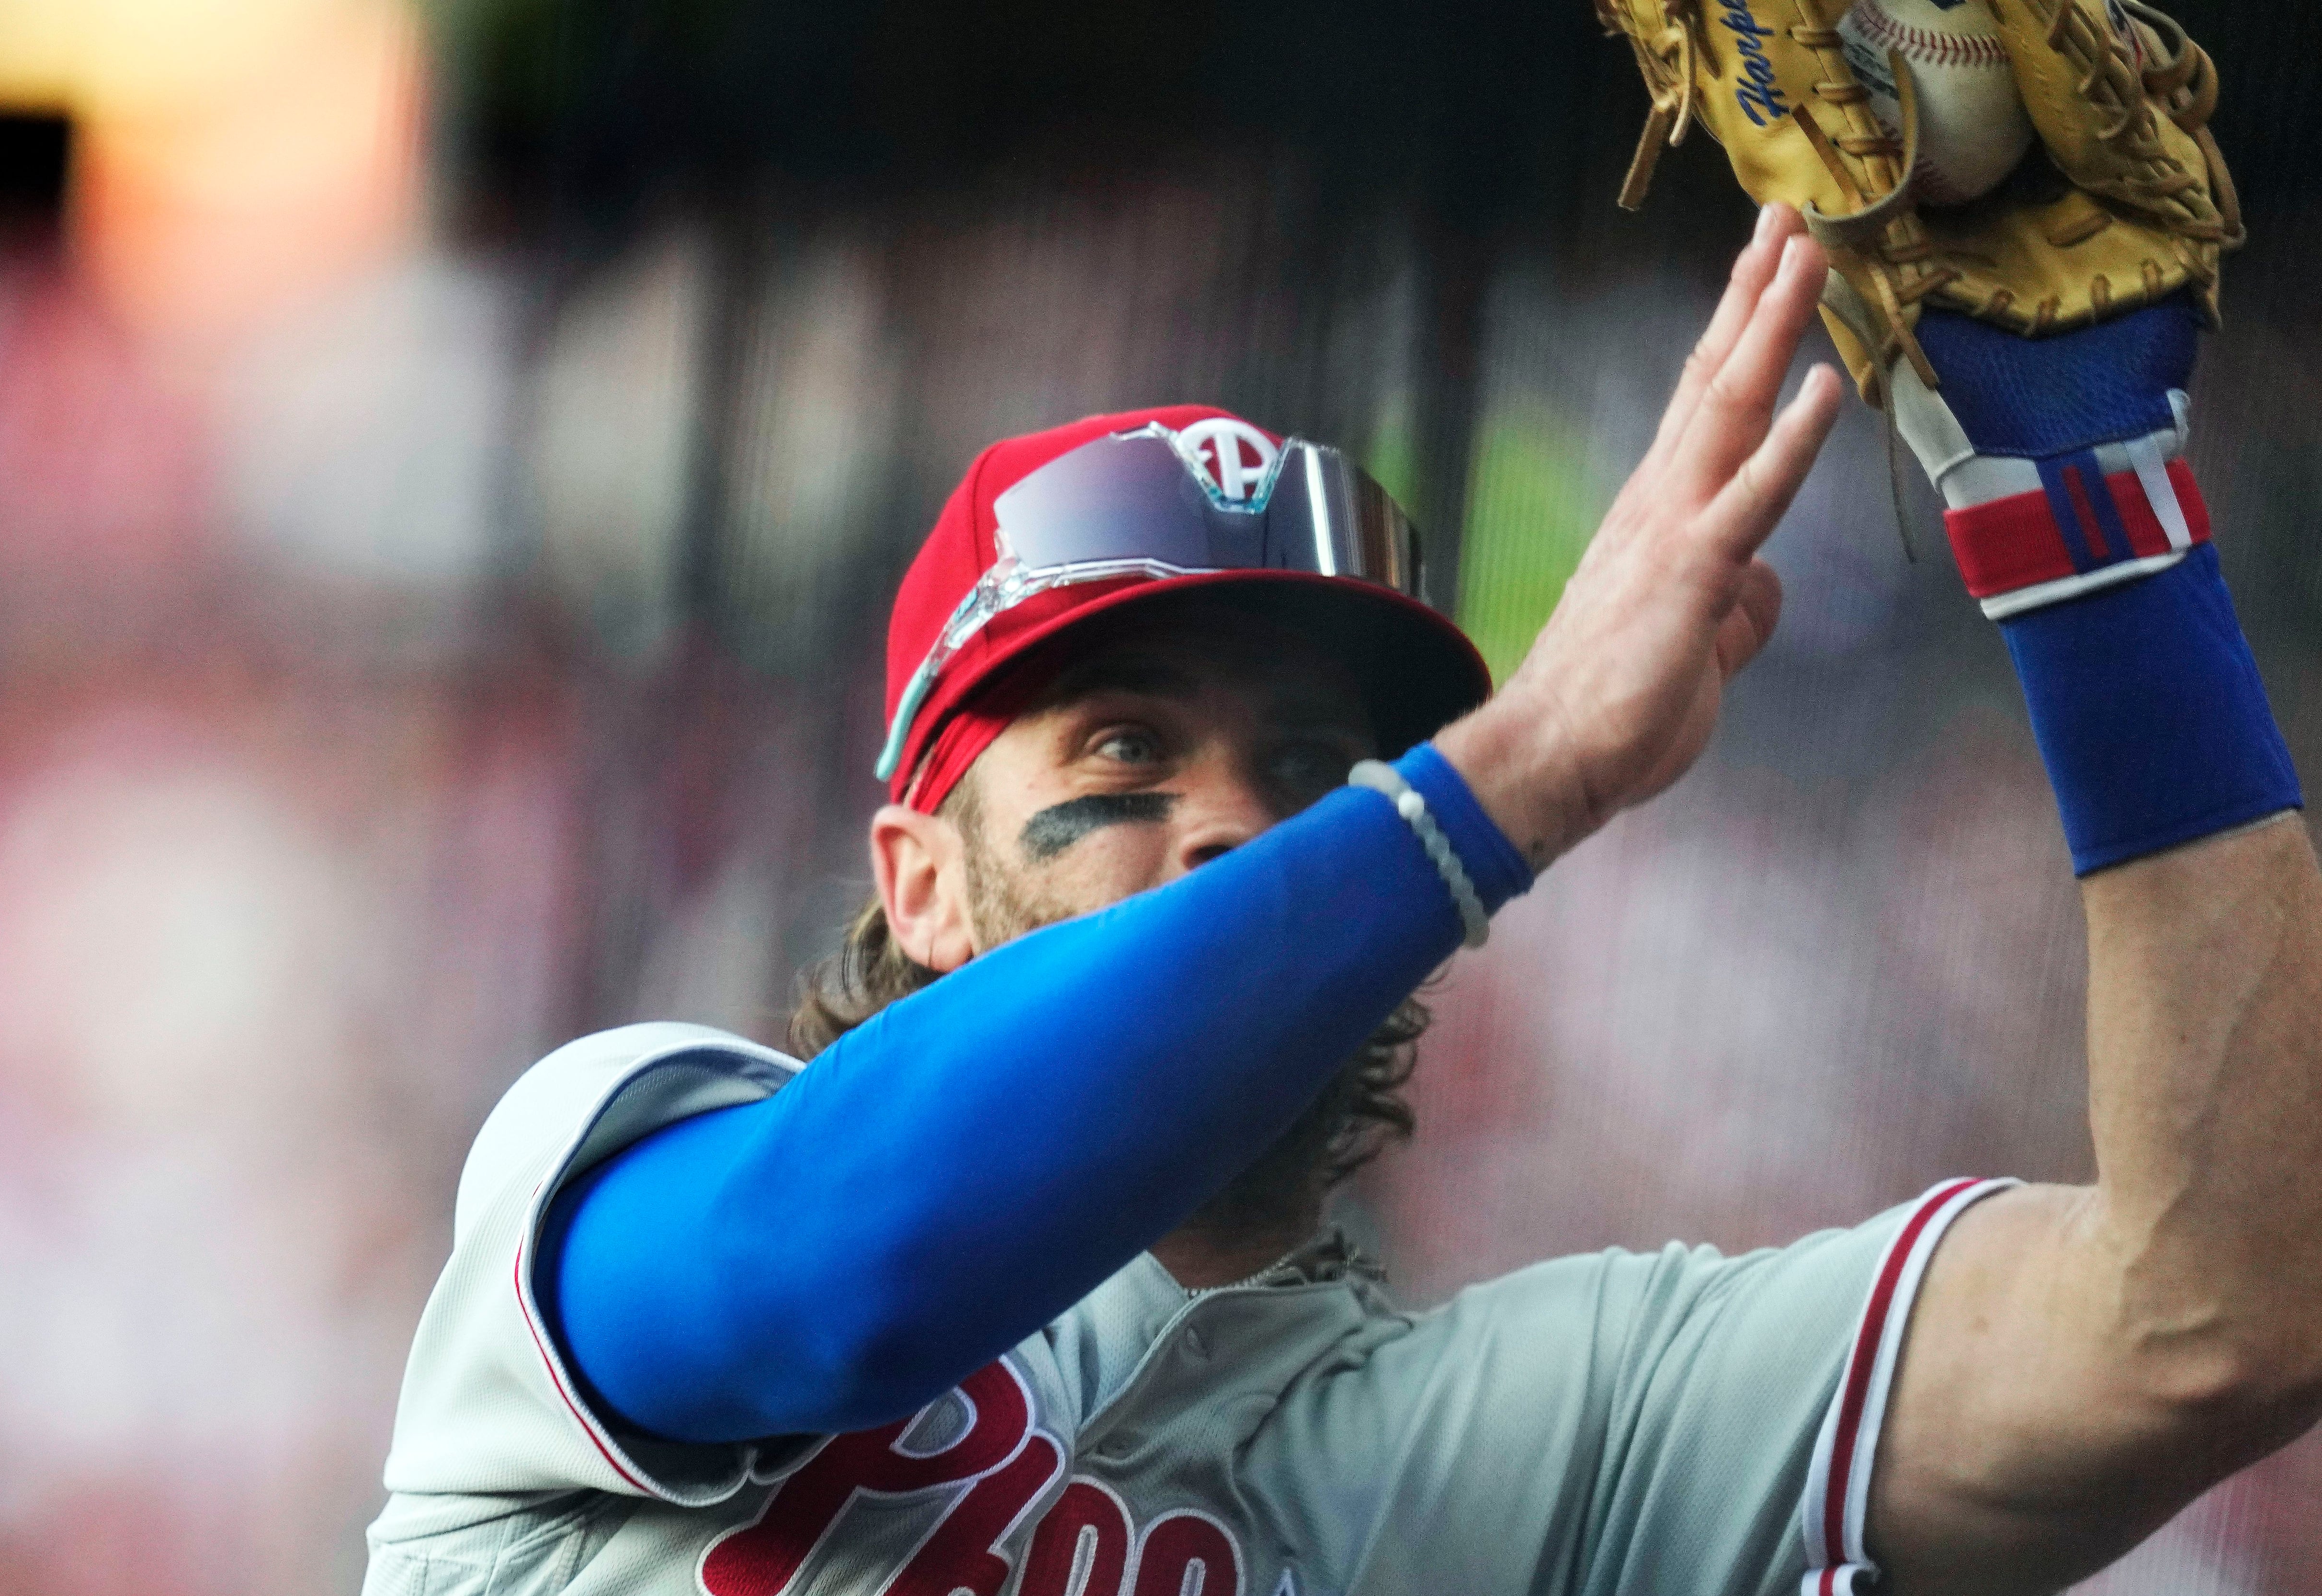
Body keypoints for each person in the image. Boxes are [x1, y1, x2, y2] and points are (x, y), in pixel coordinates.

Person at [362, 208, 2321, 1596]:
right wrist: (1505, 775)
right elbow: (834, 1277)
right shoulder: (614, 1188)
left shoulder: (1552, 1445)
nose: (1233, 830)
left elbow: (2222, 1305)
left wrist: (2086, 517)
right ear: (918, 884)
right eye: (1119, 758)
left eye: (1313, 774)